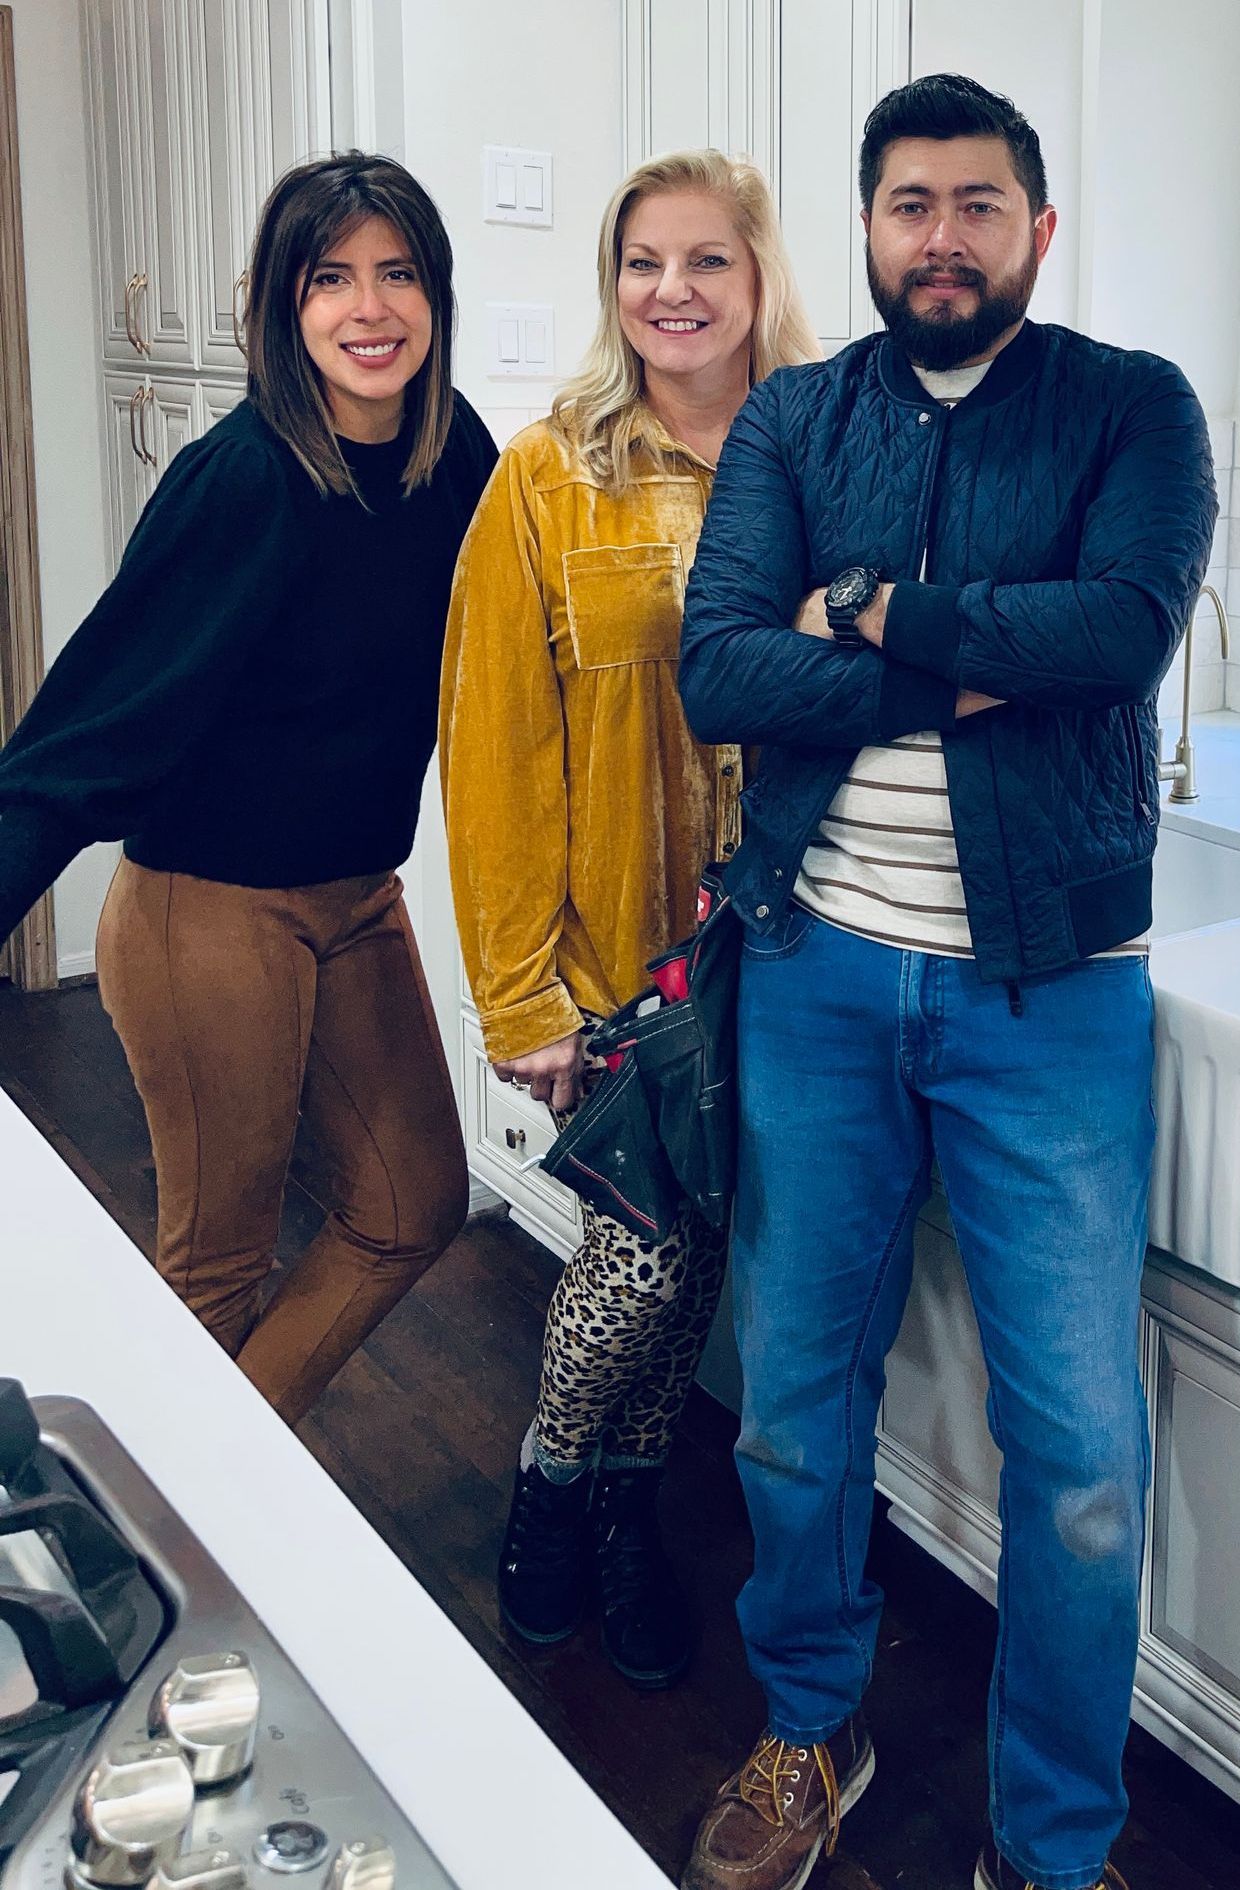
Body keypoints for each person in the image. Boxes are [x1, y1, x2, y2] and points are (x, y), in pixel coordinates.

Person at [676, 74, 1216, 1890]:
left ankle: (1051, 1846)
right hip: (817, 968)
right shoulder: (789, 423)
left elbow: (1122, 631)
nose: (942, 238)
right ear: (868, 228)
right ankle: (808, 1722)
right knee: (789, 1395)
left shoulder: (1129, 410)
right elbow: (725, 676)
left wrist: (882, 611)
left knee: (1072, 1453)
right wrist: (985, 657)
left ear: (1035, 232)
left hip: (1046, 990)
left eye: (978, 206)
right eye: (909, 206)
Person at [0, 154, 497, 1426]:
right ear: (282, 306)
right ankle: (166, 1547)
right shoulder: (244, 481)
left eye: (396, 274)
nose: (368, 307)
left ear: (436, 297)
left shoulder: (458, 462)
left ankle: (223, 1499)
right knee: (216, 1272)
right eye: (330, 277)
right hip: (205, 912)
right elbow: (79, 737)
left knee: (410, 1205)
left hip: (354, 895)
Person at [439, 150, 818, 1686]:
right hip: (618, 951)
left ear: (756, 276)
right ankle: (551, 1485)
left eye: (705, 260)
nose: (672, 290)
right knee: (640, 1254)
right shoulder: (548, 470)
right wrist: (519, 998)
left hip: (787, 946)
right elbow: (494, 748)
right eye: (641, 260)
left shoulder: (816, 460)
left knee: (701, 1251)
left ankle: (620, 1513)